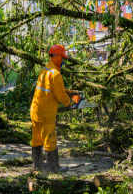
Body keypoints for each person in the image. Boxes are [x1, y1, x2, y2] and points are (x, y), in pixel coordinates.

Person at [30, 44, 78, 173]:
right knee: (50, 140)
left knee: (37, 139)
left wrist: (70, 91)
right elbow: (60, 95)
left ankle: (38, 165)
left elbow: (55, 89)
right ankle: (53, 168)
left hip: (36, 110)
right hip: (46, 113)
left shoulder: (45, 70)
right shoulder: (55, 74)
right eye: (62, 58)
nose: (63, 61)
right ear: (58, 57)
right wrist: (70, 102)